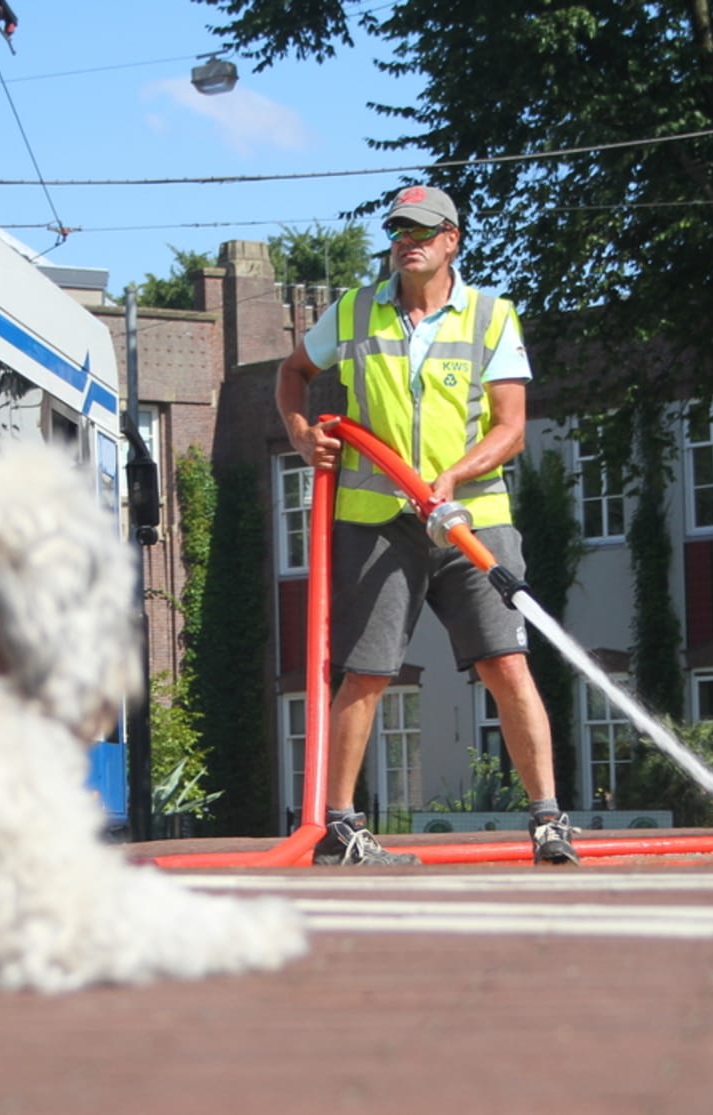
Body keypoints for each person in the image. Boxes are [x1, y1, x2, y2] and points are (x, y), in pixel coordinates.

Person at [276, 184, 579, 867]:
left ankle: (548, 820)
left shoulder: (490, 316)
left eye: (420, 230)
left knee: (507, 660)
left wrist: (453, 477)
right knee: (366, 671)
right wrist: (300, 433)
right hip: (377, 520)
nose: (405, 240)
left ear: (451, 240)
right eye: (397, 230)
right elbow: (292, 373)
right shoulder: (355, 311)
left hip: (471, 519)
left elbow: (511, 426)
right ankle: (341, 826)